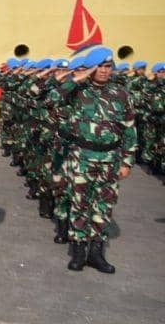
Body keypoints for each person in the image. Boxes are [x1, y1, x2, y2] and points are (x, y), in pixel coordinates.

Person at [50, 46, 135, 273]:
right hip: (82, 158)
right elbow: (52, 98)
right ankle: (78, 252)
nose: (105, 71)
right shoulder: (78, 91)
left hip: (110, 159)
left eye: (108, 67)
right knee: (80, 204)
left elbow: (129, 129)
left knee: (103, 206)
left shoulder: (121, 94)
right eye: (100, 67)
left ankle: (96, 254)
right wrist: (78, 79)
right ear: (90, 69)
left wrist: (127, 161)